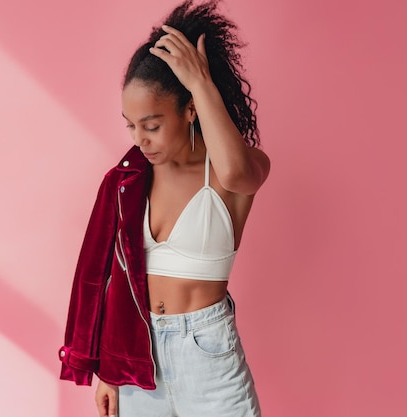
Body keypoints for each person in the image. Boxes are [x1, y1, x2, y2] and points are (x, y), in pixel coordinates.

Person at [58, 1, 270, 416]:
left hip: (208, 359)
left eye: (152, 125)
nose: (140, 139)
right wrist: (109, 370)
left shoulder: (234, 170)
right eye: (131, 125)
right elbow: (110, 283)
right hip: (140, 362)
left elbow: (239, 173)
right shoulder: (129, 181)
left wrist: (201, 82)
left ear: (190, 109)